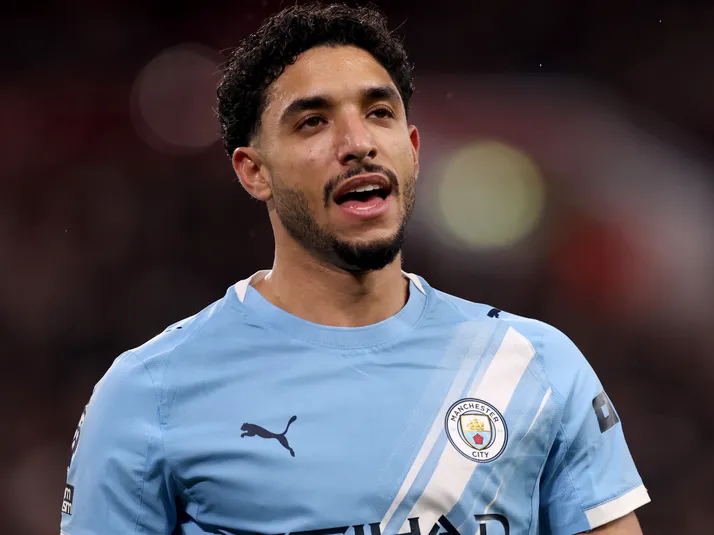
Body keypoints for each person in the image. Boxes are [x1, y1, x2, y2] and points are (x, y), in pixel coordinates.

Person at [60, 3, 650, 535]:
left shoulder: (534, 366)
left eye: (379, 112)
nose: (358, 142)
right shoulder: (150, 392)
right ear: (253, 171)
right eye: (313, 121)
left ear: (412, 148)